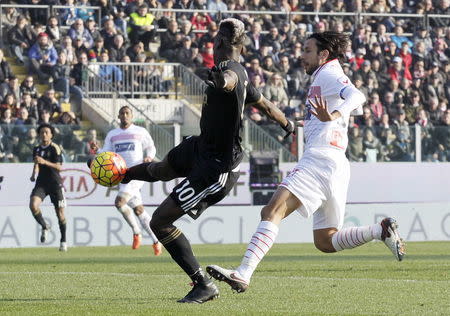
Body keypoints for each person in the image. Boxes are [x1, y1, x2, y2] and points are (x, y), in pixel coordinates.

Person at [206, 31, 406, 294]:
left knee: (271, 212)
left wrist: (334, 114)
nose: (302, 55)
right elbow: (327, 114)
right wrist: (310, 122)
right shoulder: (322, 77)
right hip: (336, 163)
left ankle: (243, 273)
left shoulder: (329, 72)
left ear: (323, 54)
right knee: (325, 240)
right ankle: (379, 231)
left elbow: (357, 96)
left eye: (308, 50)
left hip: (320, 159)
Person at [120, 18, 295, 304]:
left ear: (223, 42)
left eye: (215, 38)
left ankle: (203, 284)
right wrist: (288, 124)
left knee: (161, 222)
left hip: (217, 167)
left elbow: (229, 82)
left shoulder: (230, 70)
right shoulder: (243, 74)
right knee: (163, 168)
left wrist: (218, 80)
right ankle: (125, 174)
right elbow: (264, 104)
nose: (211, 44)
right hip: (202, 147)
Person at [90, 106, 162, 255]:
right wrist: (97, 150)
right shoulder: (113, 134)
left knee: (119, 202)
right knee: (139, 210)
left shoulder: (140, 131)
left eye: (127, 113)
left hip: (136, 173)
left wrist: (149, 157)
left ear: (132, 115)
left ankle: (136, 232)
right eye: (122, 113)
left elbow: (151, 147)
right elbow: (107, 153)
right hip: (121, 175)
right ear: (118, 116)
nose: (124, 116)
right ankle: (156, 240)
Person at [29, 124, 67, 251]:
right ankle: (45, 226)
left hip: (55, 184)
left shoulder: (55, 148)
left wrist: (45, 162)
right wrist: (34, 173)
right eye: (42, 132)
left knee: (60, 214)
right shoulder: (36, 148)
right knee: (33, 205)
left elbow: (59, 167)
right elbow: (36, 162)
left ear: (51, 134)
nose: (44, 134)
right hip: (41, 183)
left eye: (46, 132)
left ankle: (63, 241)